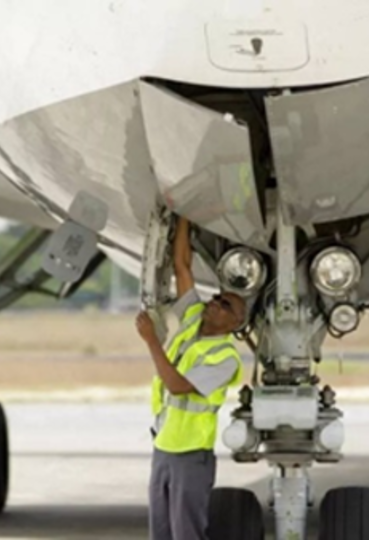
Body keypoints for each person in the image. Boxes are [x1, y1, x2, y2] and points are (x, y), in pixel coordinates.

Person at [136, 216, 246, 540]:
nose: (214, 302)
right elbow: (182, 266)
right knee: (161, 532)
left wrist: (152, 341)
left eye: (224, 305)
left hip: (190, 454)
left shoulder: (225, 358)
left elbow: (178, 386)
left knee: (187, 532)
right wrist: (183, 215)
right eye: (216, 297)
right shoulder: (193, 318)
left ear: (235, 323)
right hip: (163, 446)